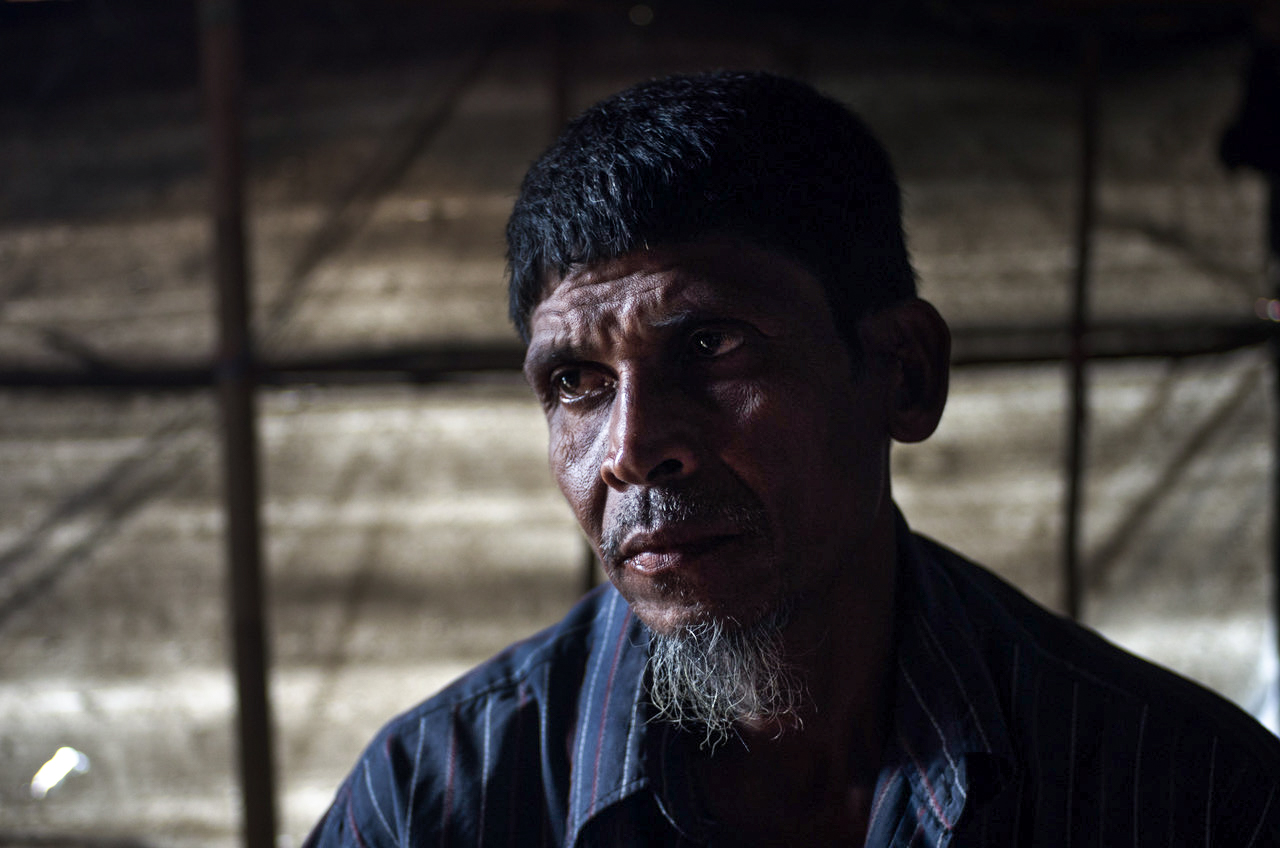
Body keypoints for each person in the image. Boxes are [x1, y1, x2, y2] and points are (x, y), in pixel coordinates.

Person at [303, 71, 1280, 846]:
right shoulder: (434, 803)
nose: (633, 450)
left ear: (901, 372)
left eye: (709, 346)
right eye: (574, 382)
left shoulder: (1180, 791)